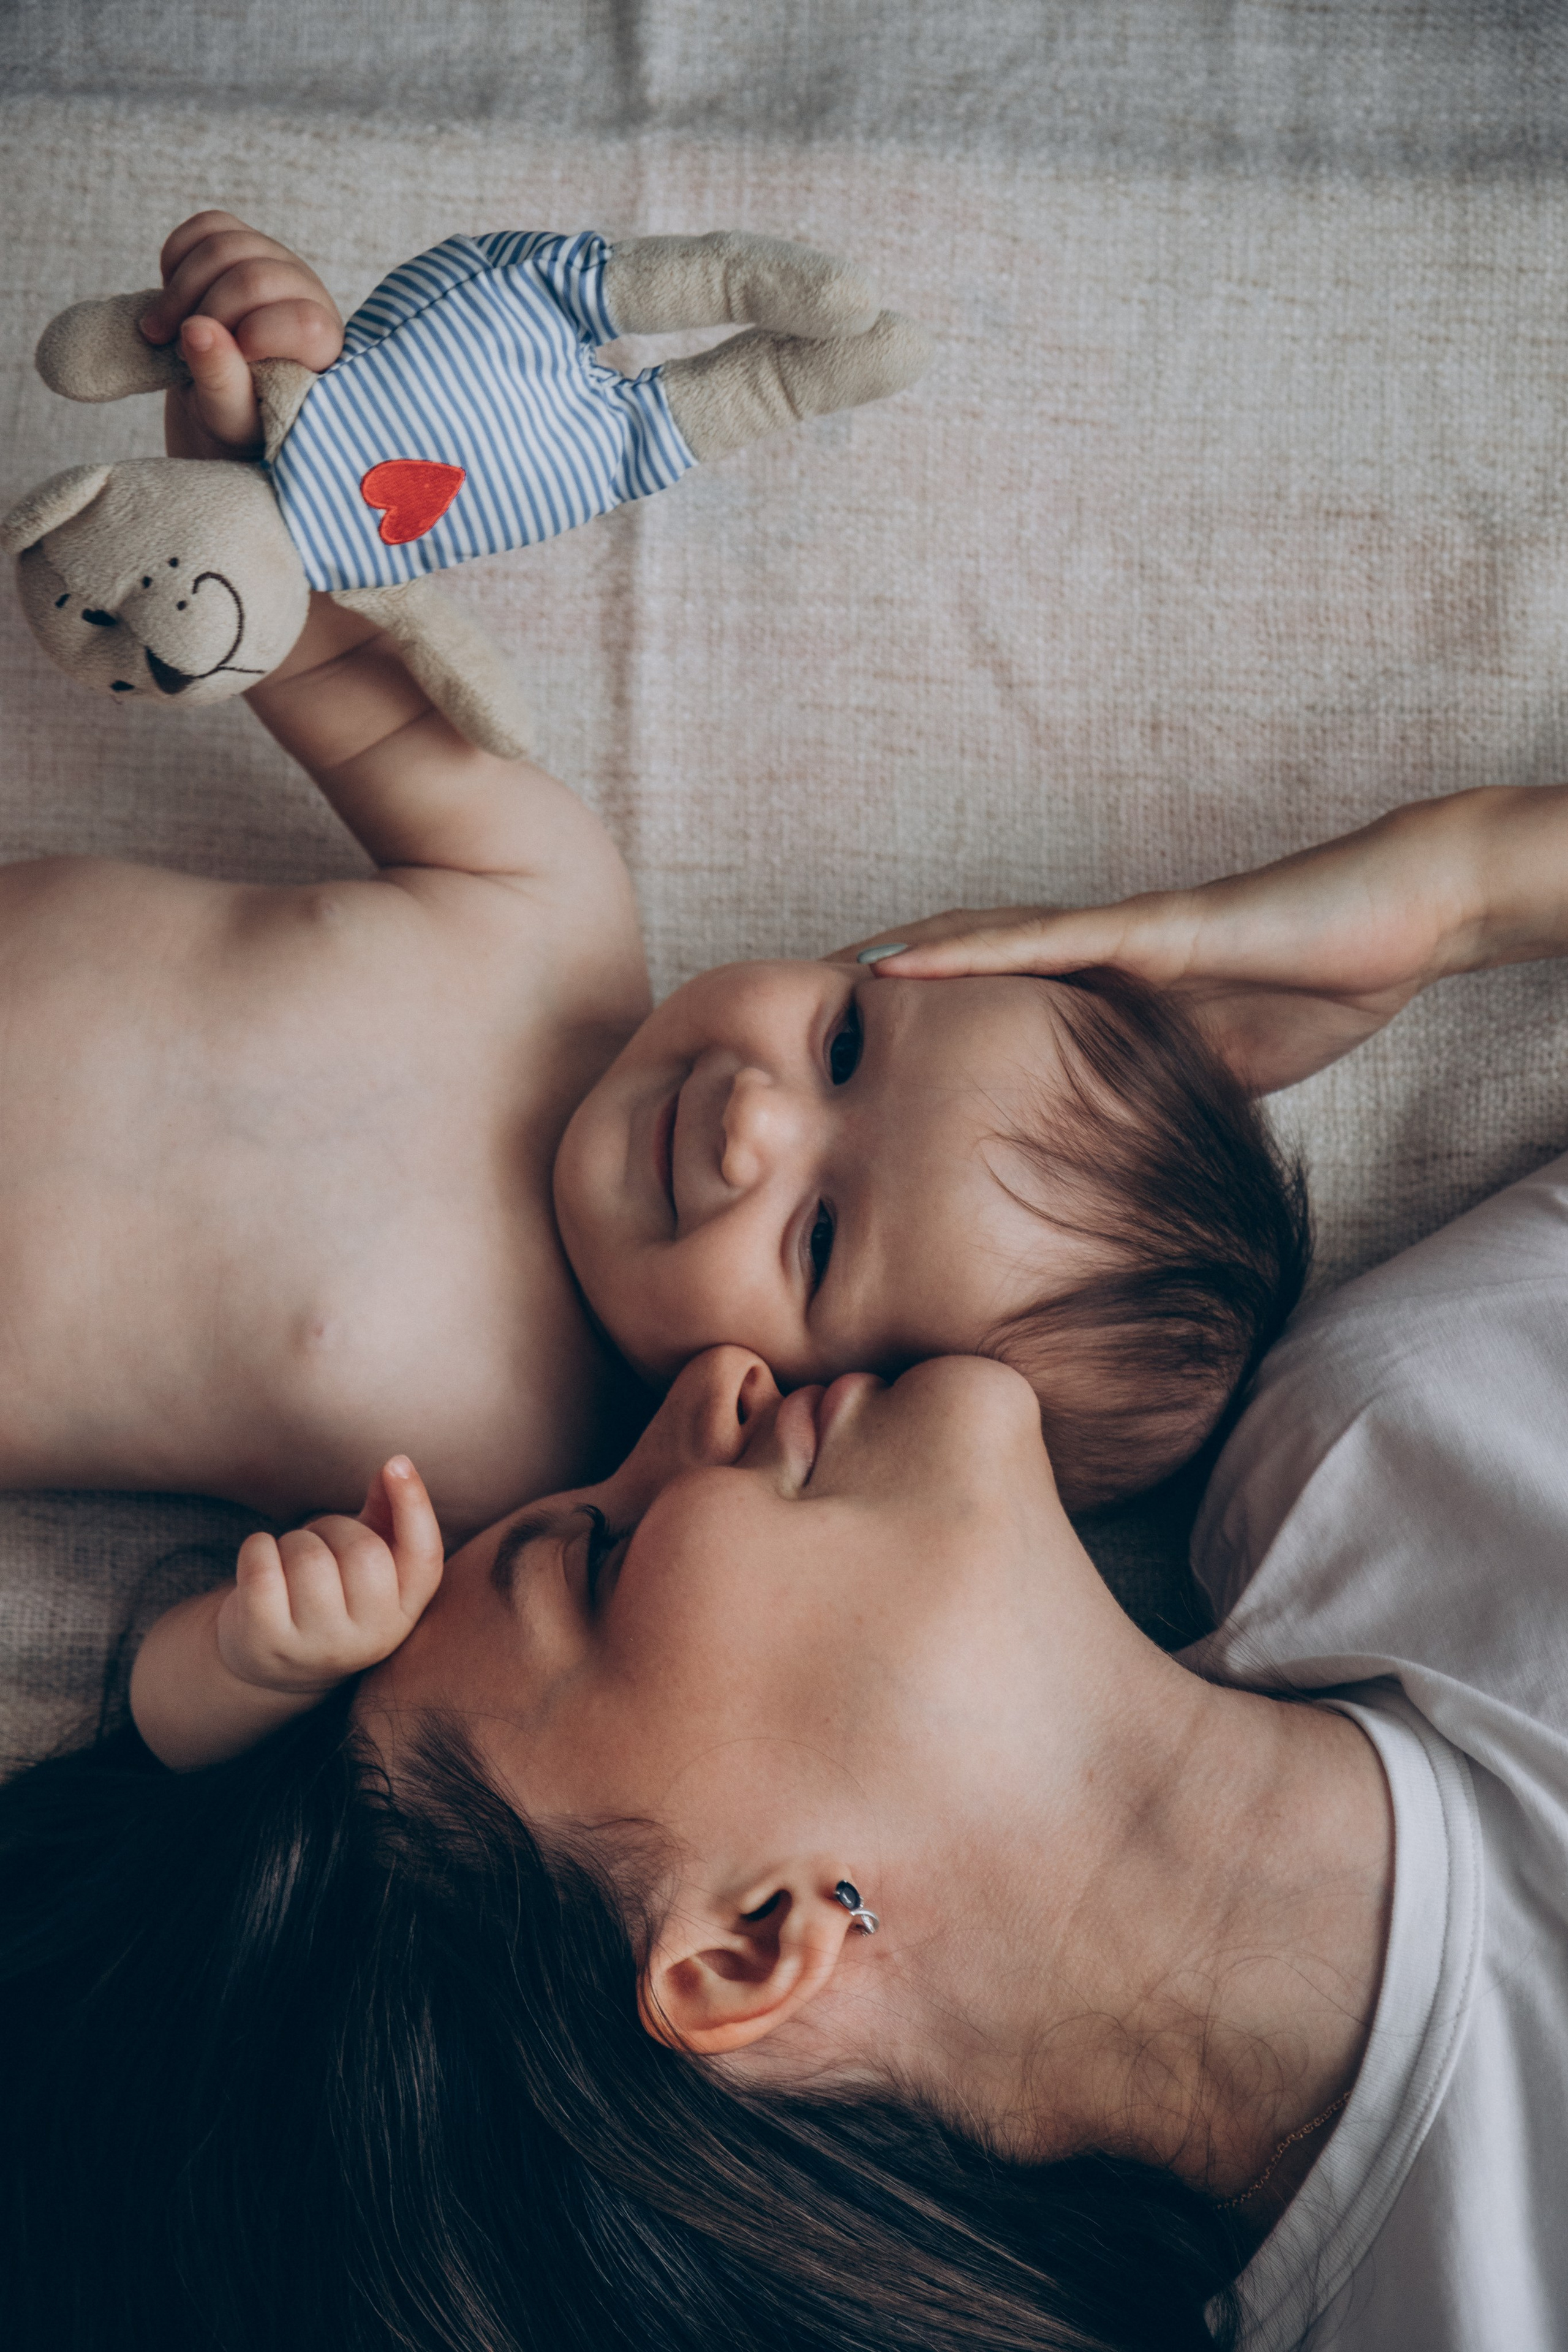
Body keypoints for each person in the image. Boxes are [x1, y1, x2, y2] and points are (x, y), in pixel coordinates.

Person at [57, 778, 1562, 2352]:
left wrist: (1471, 885)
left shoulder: (1380, 1436)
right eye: (602, 1553)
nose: (707, 1385)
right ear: (759, 1938)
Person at [0, 211, 1306, 1547]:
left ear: (795, 1411)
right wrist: (254, 466)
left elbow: (256, 1696)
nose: (753, 1121)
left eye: (816, 1241)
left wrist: (266, 1661)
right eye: (845, 1043)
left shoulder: (519, 1480)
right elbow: (310, 655)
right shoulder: (545, 904)